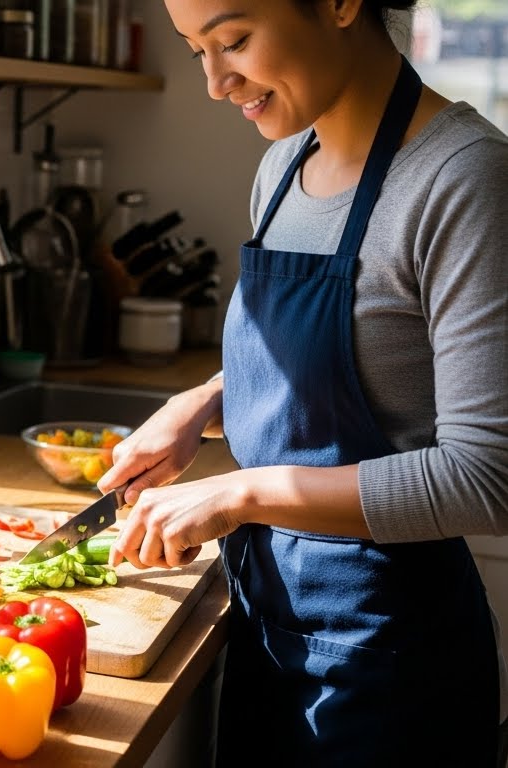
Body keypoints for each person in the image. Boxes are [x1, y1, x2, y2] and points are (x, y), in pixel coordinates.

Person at [95, 0, 508, 765]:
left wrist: (238, 493)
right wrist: (203, 403)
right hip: (266, 629)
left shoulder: (464, 179)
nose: (215, 82)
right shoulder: (282, 167)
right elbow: (346, 358)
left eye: (232, 40)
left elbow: (485, 479)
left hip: (389, 670)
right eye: (195, 51)